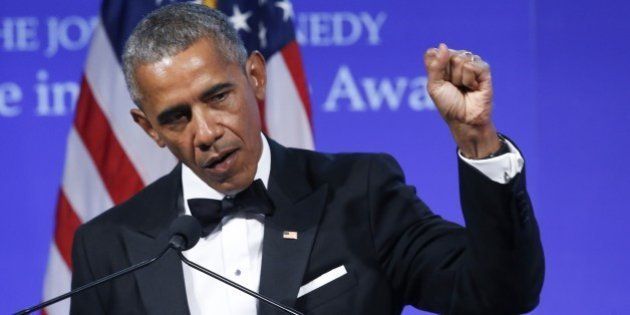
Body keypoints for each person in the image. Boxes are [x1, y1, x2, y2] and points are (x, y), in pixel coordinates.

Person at [70, 3, 543, 315]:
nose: (207, 132)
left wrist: (479, 141)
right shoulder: (109, 247)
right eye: (176, 118)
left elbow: (499, 293)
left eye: (218, 97)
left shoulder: (360, 193)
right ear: (148, 128)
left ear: (255, 76)